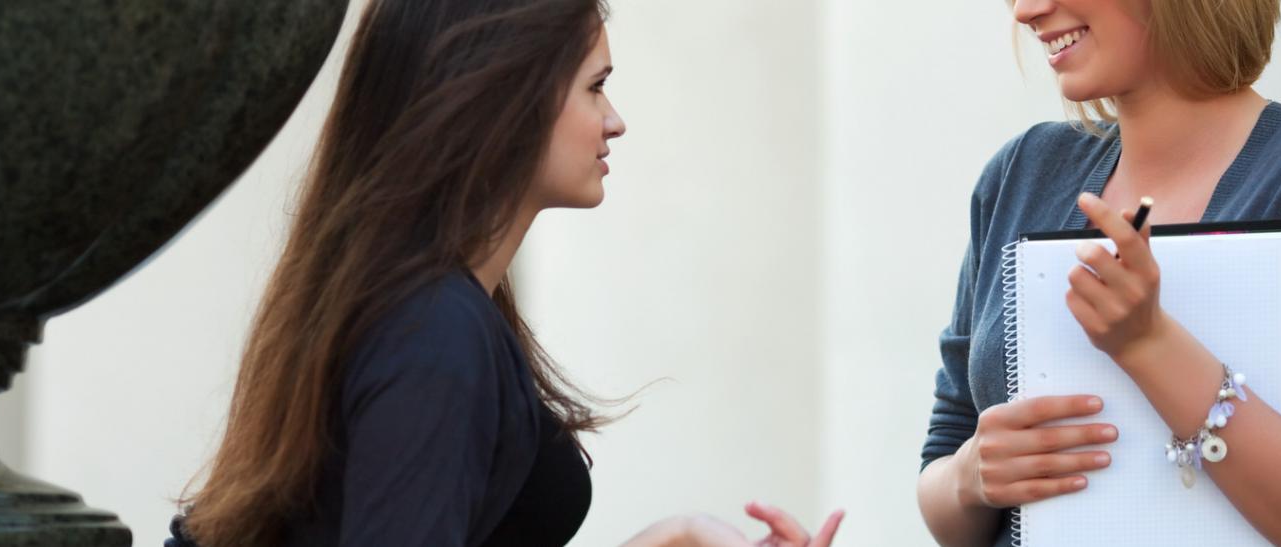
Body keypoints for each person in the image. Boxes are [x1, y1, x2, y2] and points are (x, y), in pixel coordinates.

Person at [167, 1, 842, 545]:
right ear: (505, 96)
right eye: (596, 87)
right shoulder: (432, 333)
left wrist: (675, 538)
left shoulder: (421, 308)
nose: (616, 121)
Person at [915, 1, 1281, 545]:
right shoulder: (1020, 174)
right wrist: (972, 476)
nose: (1027, 11)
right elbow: (943, 472)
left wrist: (1148, 345)